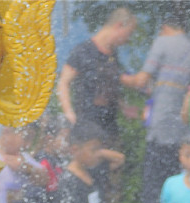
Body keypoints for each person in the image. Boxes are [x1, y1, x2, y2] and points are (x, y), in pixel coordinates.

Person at [57, 7, 146, 150]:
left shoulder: (112, 54)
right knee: (94, 165)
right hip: (87, 124)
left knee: (111, 164)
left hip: (109, 125)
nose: (128, 39)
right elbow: (63, 83)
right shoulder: (84, 50)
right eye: (129, 33)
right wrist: (69, 113)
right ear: (119, 26)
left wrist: (123, 107)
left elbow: (108, 85)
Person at [138, 11, 190, 203]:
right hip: (181, 127)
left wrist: (120, 77)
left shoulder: (162, 42)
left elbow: (141, 79)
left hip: (161, 124)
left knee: (155, 180)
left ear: (165, 27)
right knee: (175, 175)